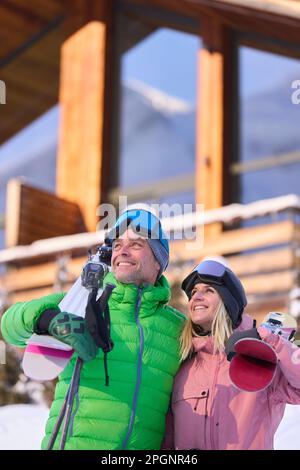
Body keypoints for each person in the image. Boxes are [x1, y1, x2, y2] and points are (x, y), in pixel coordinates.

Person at [1, 208, 185, 450]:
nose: (123, 251)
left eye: (136, 244)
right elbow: (10, 324)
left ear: (158, 261)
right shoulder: (83, 301)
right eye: (117, 245)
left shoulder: (178, 328)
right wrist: (48, 320)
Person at [162, 259, 300, 450]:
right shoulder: (182, 368)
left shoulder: (259, 358)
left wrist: (270, 340)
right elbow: (168, 440)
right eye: (194, 292)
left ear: (228, 304)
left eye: (209, 290)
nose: (196, 297)